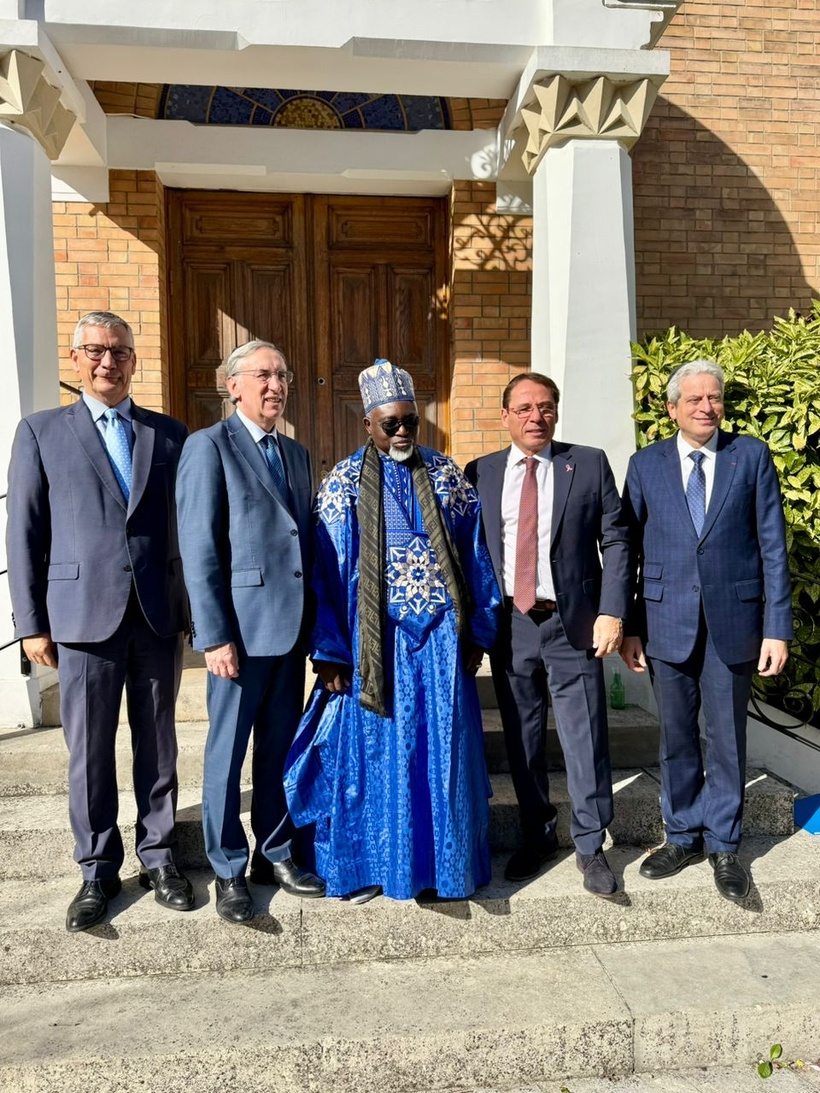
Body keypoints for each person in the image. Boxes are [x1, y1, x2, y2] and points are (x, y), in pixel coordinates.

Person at [284, 360, 500, 904]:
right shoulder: (341, 487)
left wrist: (478, 632)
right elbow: (325, 575)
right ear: (367, 424)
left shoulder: (447, 476)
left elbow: (476, 558)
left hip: (442, 644)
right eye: (390, 424)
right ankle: (372, 867)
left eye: (410, 421)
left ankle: (441, 871)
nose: (402, 431)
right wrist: (329, 649)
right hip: (371, 648)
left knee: (441, 754)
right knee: (377, 758)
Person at [6, 310, 194, 931]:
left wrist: (194, 610)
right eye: (94, 350)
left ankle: (160, 856)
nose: (106, 361)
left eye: (118, 351)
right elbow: (24, 533)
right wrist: (31, 623)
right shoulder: (39, 432)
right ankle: (96, 869)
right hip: (80, 619)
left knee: (158, 743)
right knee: (88, 752)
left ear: (134, 360)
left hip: (156, 614)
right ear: (76, 358)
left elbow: (187, 533)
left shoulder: (169, 435)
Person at [620, 358, 792, 900]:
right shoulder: (645, 464)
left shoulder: (751, 457)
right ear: (672, 409)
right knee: (675, 738)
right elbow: (628, 548)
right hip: (666, 621)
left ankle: (724, 845)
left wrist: (777, 627)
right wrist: (628, 625)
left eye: (714, 398)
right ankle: (681, 835)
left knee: (726, 739)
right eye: (694, 400)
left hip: (734, 623)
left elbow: (773, 547)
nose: (706, 408)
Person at [175, 340, 325, 924]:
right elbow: (200, 550)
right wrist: (213, 636)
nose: (276, 385)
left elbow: (301, 544)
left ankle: (276, 852)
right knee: (226, 754)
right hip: (236, 636)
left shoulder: (296, 453)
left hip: (289, 635)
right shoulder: (207, 447)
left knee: (278, 752)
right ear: (231, 385)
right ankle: (227, 868)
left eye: (283, 375)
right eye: (263, 374)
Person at [465, 372, 630, 897]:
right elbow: (469, 554)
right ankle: (536, 834)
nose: (537, 417)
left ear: (556, 412)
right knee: (523, 738)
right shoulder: (481, 472)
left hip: (572, 623)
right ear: (506, 415)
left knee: (584, 738)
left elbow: (618, 540)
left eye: (547, 407)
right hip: (512, 628)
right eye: (525, 408)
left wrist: (612, 611)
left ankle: (589, 845)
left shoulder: (588, 462)